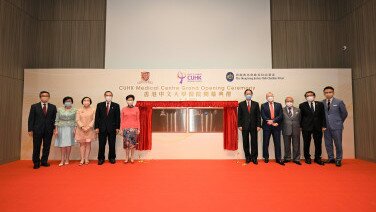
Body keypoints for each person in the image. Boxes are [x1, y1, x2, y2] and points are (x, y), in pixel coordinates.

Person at [28, 91, 57, 169]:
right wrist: (30, 129)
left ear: (49, 97)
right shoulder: (34, 106)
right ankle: (36, 162)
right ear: (40, 97)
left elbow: (54, 119)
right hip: (37, 129)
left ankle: (44, 161)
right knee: (36, 146)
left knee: (46, 146)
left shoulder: (53, 107)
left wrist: (55, 129)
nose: (45, 97)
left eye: (47, 96)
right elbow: (31, 118)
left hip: (49, 129)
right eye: (43, 96)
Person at [322, 86, 348, 167]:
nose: (328, 94)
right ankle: (331, 158)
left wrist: (339, 122)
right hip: (326, 127)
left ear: (333, 93)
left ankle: (338, 159)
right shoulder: (321, 102)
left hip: (337, 126)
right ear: (324, 93)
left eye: (330, 92)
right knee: (328, 143)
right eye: (326, 92)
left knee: (338, 143)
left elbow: (344, 113)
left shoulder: (339, 101)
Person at [299, 91, 326, 165]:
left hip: (318, 127)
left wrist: (324, 125)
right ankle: (307, 157)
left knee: (318, 143)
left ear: (314, 96)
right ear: (305, 97)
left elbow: (323, 115)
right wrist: (300, 126)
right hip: (306, 127)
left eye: (311, 95)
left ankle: (317, 158)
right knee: (306, 143)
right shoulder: (302, 105)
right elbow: (300, 117)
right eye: (308, 95)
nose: (309, 96)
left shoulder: (320, 104)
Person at [95, 91, 120, 165]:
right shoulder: (100, 105)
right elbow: (97, 117)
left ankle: (112, 158)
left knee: (112, 144)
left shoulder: (116, 105)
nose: (108, 96)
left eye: (110, 95)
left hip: (112, 128)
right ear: (104, 96)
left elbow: (117, 117)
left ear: (112, 96)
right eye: (107, 95)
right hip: (102, 128)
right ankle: (101, 158)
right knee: (101, 144)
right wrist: (96, 127)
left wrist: (117, 127)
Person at [237, 89, 261, 164]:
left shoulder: (256, 104)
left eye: (249, 94)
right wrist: (239, 125)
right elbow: (239, 116)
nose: (248, 95)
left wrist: (258, 125)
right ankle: (247, 157)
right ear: (245, 95)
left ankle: (254, 158)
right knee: (245, 142)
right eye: (247, 94)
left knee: (254, 142)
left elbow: (258, 116)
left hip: (254, 126)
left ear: (252, 94)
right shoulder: (241, 104)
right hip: (244, 126)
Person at [261, 92, 285, 165]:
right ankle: (266, 157)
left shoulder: (279, 105)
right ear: (266, 97)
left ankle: (278, 158)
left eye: (271, 96)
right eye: (268, 96)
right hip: (266, 126)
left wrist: (274, 121)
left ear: (273, 97)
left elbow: (280, 115)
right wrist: (270, 122)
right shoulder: (263, 105)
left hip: (276, 126)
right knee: (266, 142)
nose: (270, 97)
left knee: (277, 143)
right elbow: (263, 115)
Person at [54, 96, 77, 166]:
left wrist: (75, 129)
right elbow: (56, 120)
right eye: (66, 101)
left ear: (72, 102)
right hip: (61, 128)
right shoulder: (59, 109)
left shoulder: (75, 110)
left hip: (71, 128)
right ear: (64, 102)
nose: (68, 102)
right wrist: (56, 129)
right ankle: (62, 159)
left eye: (69, 101)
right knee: (62, 144)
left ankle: (67, 159)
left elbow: (76, 121)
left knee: (68, 144)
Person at [75, 97, 96, 166]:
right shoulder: (79, 110)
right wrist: (82, 127)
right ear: (82, 101)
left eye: (88, 100)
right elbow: (77, 119)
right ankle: (82, 159)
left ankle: (86, 159)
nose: (86, 102)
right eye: (85, 100)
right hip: (81, 129)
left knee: (88, 144)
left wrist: (89, 127)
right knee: (82, 144)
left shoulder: (93, 110)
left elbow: (94, 119)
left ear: (90, 102)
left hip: (90, 129)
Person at [281, 97, 302, 165]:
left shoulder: (298, 110)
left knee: (296, 145)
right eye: (287, 101)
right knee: (286, 145)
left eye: (290, 101)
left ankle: (296, 159)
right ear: (285, 102)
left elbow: (300, 119)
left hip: (296, 129)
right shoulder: (282, 110)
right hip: (286, 129)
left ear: (293, 101)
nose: (289, 102)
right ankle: (287, 158)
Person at [120, 95, 140, 163]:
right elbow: (122, 120)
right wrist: (121, 129)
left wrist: (138, 129)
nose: (130, 101)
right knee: (126, 144)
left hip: (134, 129)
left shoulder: (136, 109)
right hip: (125, 129)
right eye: (128, 100)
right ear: (126, 101)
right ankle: (126, 157)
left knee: (133, 144)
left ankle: (132, 157)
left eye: (131, 100)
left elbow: (138, 120)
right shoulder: (123, 109)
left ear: (133, 100)